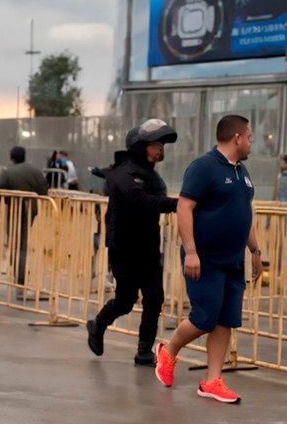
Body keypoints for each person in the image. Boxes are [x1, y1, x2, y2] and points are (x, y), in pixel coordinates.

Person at [155, 115, 262, 403]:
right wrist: (190, 251)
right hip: (204, 258)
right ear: (237, 138)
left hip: (233, 260)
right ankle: (168, 351)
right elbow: (185, 208)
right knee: (204, 318)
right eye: (249, 136)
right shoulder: (204, 167)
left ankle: (212, 380)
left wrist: (255, 251)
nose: (252, 141)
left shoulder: (243, 171)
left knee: (226, 319)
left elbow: (244, 213)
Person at [87, 120, 177, 365]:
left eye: (161, 145)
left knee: (155, 297)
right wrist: (179, 204)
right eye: (155, 144)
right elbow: (143, 201)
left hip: (149, 247)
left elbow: (157, 199)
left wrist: (177, 204)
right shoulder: (124, 173)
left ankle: (144, 351)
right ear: (141, 146)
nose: (160, 149)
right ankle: (97, 324)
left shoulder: (153, 176)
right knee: (125, 301)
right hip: (124, 248)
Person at [0, 146, 51, 288]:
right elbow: (43, 189)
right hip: (31, 210)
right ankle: (20, 275)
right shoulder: (35, 171)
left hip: (15, 210)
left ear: (11, 157)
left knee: (14, 243)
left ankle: (18, 273)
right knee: (23, 243)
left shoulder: (7, 172)